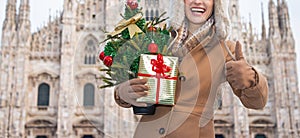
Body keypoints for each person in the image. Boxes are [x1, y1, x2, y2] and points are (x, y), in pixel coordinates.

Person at [114, 0, 268, 137]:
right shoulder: (159, 38)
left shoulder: (225, 49)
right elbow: (133, 78)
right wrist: (122, 93)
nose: (198, 2)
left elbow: (257, 102)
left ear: (216, 4)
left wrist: (251, 79)